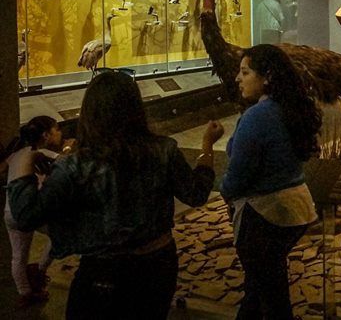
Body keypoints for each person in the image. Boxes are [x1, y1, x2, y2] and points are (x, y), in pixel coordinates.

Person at [7, 71, 223, 319]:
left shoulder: (76, 165)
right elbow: (196, 194)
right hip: (157, 266)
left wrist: (23, 161)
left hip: (102, 272)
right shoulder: (163, 150)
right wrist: (207, 147)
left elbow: (25, 214)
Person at [221, 44, 321, 319]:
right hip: (295, 209)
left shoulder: (257, 116)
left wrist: (224, 189)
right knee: (261, 290)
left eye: (245, 72)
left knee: (271, 298)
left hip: (264, 216)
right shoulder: (288, 108)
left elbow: (238, 175)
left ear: (266, 77)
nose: (237, 78)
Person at [2, 116, 62, 306]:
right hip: (29, 212)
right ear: (46, 135)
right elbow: (66, 163)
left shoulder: (15, 155)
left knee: (18, 256)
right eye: (56, 130)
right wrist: (68, 147)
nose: (60, 133)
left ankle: (25, 293)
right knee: (58, 234)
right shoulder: (42, 153)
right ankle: (39, 271)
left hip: (11, 212)